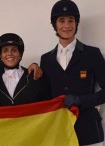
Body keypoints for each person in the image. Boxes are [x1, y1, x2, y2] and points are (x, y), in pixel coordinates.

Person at [40, 0, 105, 145]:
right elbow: (45, 95)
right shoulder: (46, 59)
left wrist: (81, 100)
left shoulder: (92, 54)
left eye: (71, 20)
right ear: (54, 25)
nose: (67, 25)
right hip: (59, 131)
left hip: (89, 131)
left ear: (76, 23)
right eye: (61, 21)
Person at [0, 33, 50, 106]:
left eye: (14, 50)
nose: (10, 54)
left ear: (20, 54)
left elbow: (48, 104)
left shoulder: (34, 76)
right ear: (0, 55)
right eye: (5, 51)